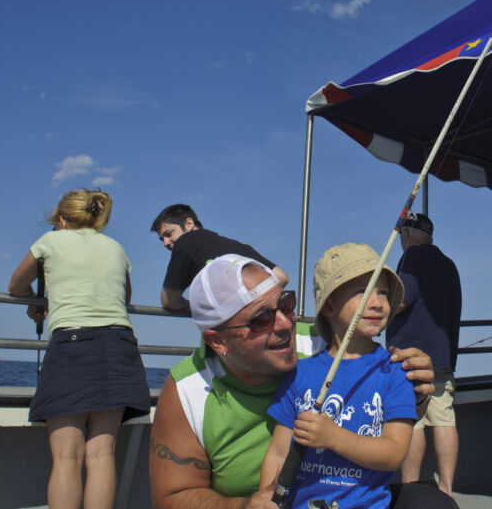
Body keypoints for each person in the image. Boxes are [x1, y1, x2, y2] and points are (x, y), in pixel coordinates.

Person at [148, 253, 456, 509]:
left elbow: (386, 420)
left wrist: (417, 391)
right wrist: (249, 504)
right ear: (218, 341)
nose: (286, 324)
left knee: (431, 502)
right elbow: (172, 497)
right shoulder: (187, 390)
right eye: (261, 319)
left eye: (286, 304)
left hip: (360, 497)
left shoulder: (322, 342)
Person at [8, 188, 149, 509]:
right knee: (101, 454)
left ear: (62, 219)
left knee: (67, 456)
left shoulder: (51, 240)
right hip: (120, 345)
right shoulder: (116, 247)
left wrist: (36, 300)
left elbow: (16, 285)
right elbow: (124, 298)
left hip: (72, 345)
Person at [260, 243, 416, 509]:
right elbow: (278, 453)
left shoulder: (395, 372)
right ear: (329, 306)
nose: (377, 303)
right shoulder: (299, 373)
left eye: (383, 292)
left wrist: (333, 437)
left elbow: (394, 453)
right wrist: (267, 499)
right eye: (362, 291)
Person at [386, 213, 462, 496]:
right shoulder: (449, 264)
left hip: (410, 357)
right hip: (443, 357)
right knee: (444, 419)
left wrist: (377, 311)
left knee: (412, 421)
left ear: (406, 233)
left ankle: (411, 488)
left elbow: (402, 299)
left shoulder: (412, 257)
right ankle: (447, 489)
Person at [151, 203, 289, 310]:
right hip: (267, 324)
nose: (165, 243)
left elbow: (169, 300)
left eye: (169, 234)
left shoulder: (185, 242)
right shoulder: (238, 246)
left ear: (189, 224)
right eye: (162, 239)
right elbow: (281, 277)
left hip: (231, 331)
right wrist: (247, 299)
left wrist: (205, 307)